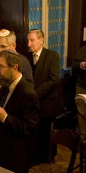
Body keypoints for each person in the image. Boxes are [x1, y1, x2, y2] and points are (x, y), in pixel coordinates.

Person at [0, 49, 40, 173]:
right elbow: (1, 110)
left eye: (1, 67)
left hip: (17, 156)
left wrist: (5, 117)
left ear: (15, 67)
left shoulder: (28, 93)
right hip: (1, 148)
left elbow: (29, 127)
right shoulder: (6, 86)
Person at [27, 29, 61, 163]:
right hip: (32, 103)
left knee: (46, 132)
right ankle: (36, 156)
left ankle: (48, 156)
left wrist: (35, 94)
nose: (29, 44)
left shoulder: (52, 56)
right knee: (34, 132)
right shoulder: (27, 57)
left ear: (41, 40)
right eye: (28, 40)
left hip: (47, 102)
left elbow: (53, 80)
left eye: (32, 40)